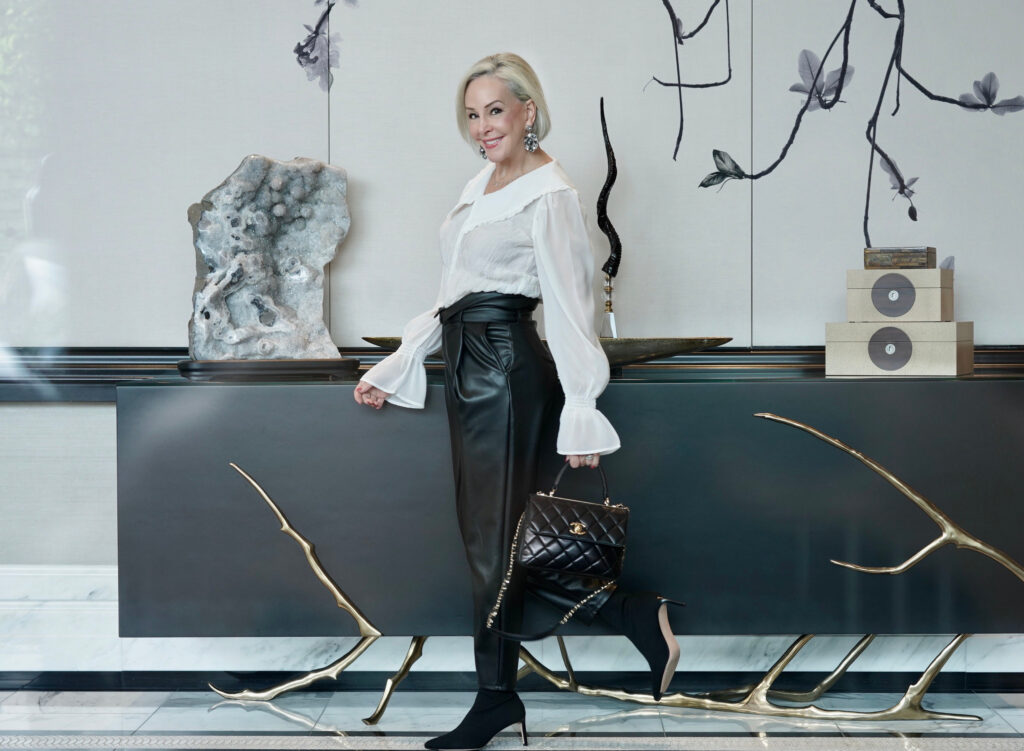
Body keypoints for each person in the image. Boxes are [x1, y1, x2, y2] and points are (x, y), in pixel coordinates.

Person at [354, 53, 682, 751]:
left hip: (506, 372)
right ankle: (617, 620)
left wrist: (583, 406)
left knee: (491, 550)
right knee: (493, 546)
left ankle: (505, 691)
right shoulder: (483, 181)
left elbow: (570, 306)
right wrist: (400, 362)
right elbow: (452, 291)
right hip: (470, 366)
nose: (482, 127)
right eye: (472, 115)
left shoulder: (550, 192)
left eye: (495, 111)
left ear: (529, 111)